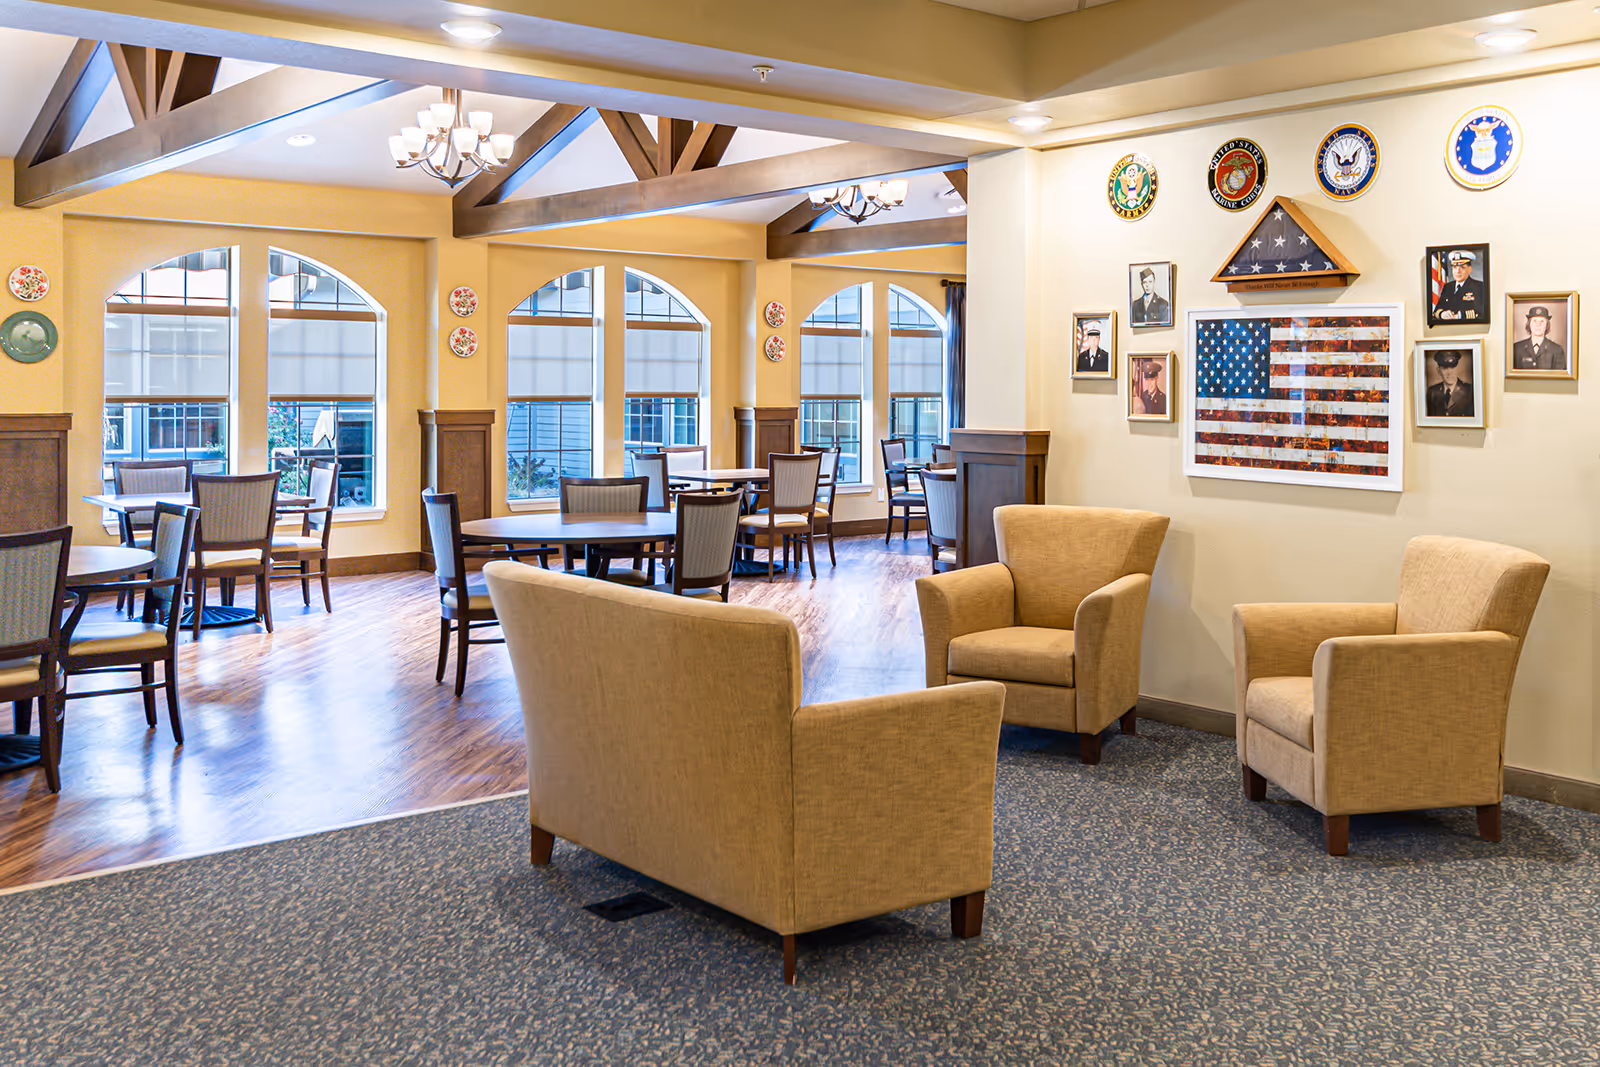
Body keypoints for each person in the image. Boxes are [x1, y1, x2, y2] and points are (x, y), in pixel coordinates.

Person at [1433, 249, 1485, 322]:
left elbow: (1481, 312)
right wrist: (1442, 314)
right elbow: (1436, 310)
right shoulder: (1447, 287)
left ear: (1470, 269)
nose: (1457, 271)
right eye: (1454, 267)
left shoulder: (1479, 287)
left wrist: (1460, 316)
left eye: (1462, 267)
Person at [1511, 306, 1566, 371]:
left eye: (1542, 321)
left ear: (1547, 325)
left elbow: (1560, 379)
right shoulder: (1516, 348)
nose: (1538, 324)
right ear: (1529, 324)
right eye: (1534, 321)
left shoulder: (1557, 350)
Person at [1425, 350, 1473, 417]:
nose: (1449, 373)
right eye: (1445, 368)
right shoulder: (1432, 392)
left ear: (1457, 369)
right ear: (1438, 371)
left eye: (1452, 367)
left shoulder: (1470, 391)